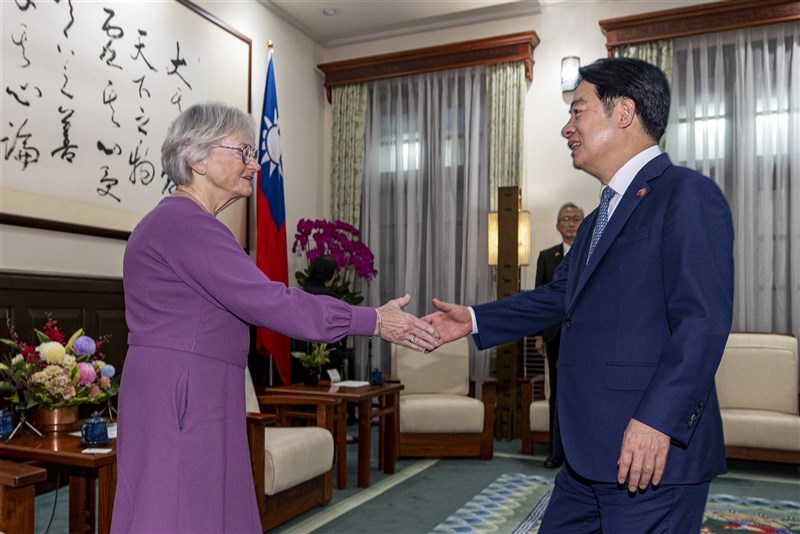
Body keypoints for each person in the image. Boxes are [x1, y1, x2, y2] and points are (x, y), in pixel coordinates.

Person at [424, 57, 733, 532]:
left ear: (623, 113)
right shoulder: (595, 220)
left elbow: (702, 323)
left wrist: (658, 421)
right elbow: (558, 297)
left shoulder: (686, 195)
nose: (567, 127)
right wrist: (474, 319)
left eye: (578, 111)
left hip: (651, 454)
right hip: (587, 455)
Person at [111, 102, 441, 533]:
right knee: (181, 510)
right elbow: (273, 303)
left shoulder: (180, 222)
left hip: (192, 384)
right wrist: (374, 320)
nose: (254, 165)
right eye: (243, 153)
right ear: (198, 158)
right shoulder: (185, 224)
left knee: (196, 506)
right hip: (185, 389)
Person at [533, 201, 584, 469]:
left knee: (584, 394)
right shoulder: (546, 256)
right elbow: (541, 298)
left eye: (576, 218)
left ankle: (582, 454)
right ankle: (557, 452)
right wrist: (541, 336)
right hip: (556, 337)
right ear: (557, 226)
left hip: (587, 338)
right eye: (566, 219)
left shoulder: (593, 252)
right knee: (557, 394)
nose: (571, 222)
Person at [291, 255, 347, 382]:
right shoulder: (332, 298)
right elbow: (341, 330)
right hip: (328, 358)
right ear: (330, 275)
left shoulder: (299, 296)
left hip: (302, 357)